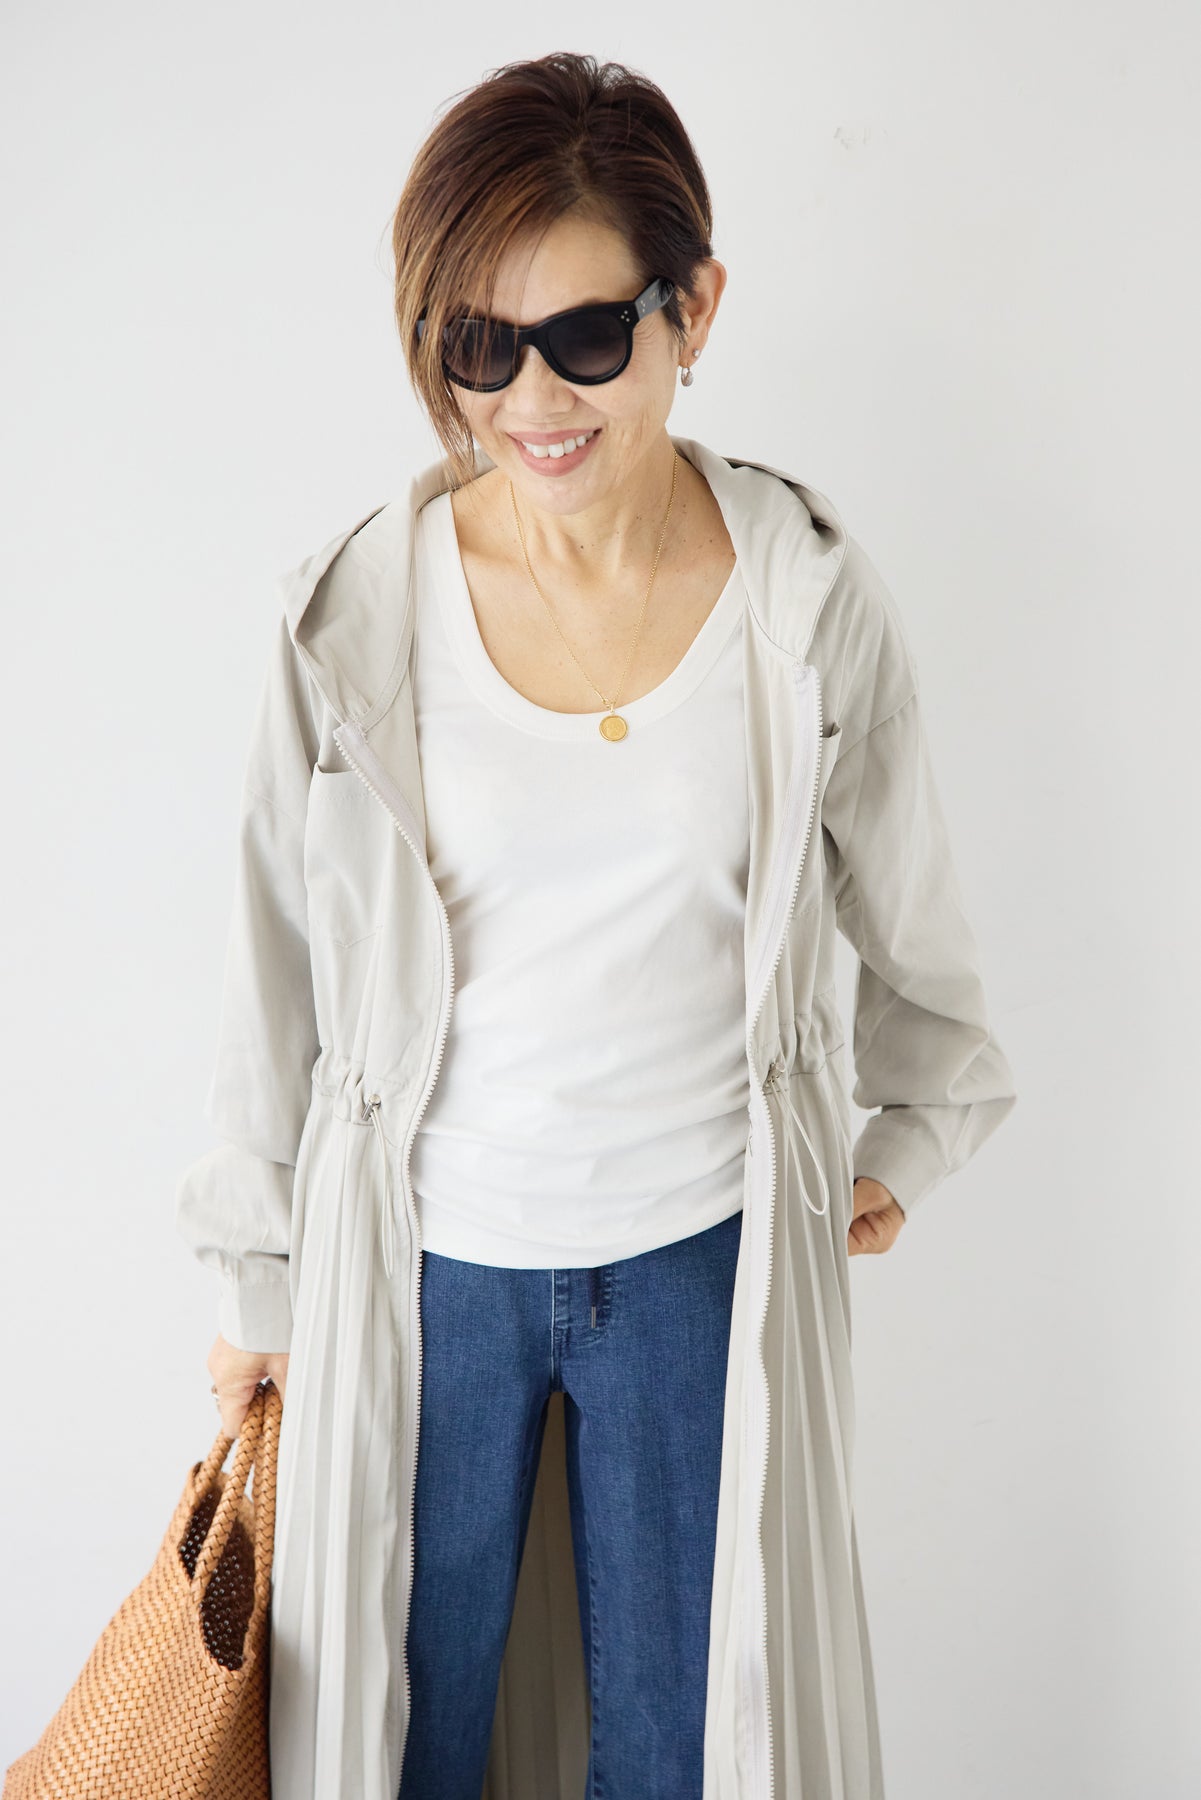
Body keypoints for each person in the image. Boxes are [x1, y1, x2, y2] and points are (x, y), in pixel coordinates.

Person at [176, 50, 1018, 1800]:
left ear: (692, 307)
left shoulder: (800, 596)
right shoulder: (354, 612)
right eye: (478, 348)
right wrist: (260, 1274)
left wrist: (907, 1136)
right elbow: (273, 966)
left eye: (583, 336)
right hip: (426, 1266)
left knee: (681, 1748)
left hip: (697, 1251)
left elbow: (913, 923)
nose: (532, 398)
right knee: (399, 1742)